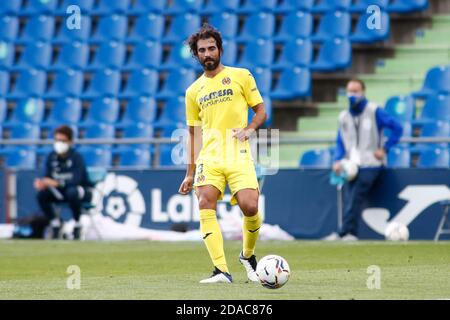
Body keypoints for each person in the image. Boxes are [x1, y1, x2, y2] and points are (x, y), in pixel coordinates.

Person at [178, 24, 267, 283]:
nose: (208, 54)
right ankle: (221, 270)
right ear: (196, 55)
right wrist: (189, 173)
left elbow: (261, 110)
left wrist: (250, 128)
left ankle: (247, 255)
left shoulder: (241, 76)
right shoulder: (193, 91)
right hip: (210, 156)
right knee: (205, 200)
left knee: (250, 207)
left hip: (238, 154)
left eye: (211, 48)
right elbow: (193, 134)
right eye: (202, 50)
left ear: (220, 50)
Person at [326, 79, 403, 241]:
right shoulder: (344, 117)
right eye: (350, 91)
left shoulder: (374, 111)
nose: (352, 95)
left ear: (363, 92)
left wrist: (385, 148)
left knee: (355, 196)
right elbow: (340, 140)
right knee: (349, 197)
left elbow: (398, 127)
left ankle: (346, 233)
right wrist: (337, 160)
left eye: (356, 91)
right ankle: (349, 233)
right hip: (351, 165)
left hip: (372, 165)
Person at [34, 125, 92, 240]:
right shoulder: (51, 157)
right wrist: (42, 183)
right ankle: (55, 223)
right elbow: (47, 176)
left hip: (79, 191)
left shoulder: (76, 157)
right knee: (42, 195)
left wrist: (57, 183)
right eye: (57, 140)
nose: (59, 143)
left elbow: (77, 179)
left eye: (63, 141)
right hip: (60, 192)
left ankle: (77, 223)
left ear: (70, 142)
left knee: (72, 192)